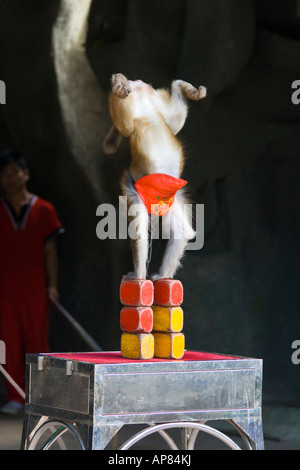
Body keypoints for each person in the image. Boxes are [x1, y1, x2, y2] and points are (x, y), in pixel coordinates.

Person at [0, 149, 64, 414]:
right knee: (8, 342)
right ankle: (15, 396)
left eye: (14, 171)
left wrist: (53, 285)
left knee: (37, 341)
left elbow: (51, 250)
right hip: (4, 288)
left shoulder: (44, 209)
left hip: (35, 287)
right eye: (4, 173)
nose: (9, 178)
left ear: (25, 174)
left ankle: (40, 396)